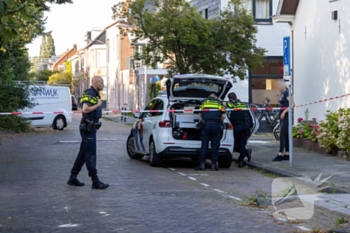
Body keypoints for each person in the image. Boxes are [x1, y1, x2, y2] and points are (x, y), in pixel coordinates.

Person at [67, 76, 109, 189]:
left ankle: (73, 177)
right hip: (88, 128)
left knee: (83, 153)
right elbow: (85, 109)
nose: (103, 84)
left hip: (90, 128)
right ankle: (95, 180)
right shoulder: (90, 93)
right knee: (90, 153)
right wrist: (98, 105)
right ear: (95, 83)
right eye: (101, 82)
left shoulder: (95, 93)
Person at [195, 93, 226, 171]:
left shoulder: (204, 102)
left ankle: (202, 164)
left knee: (204, 144)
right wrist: (219, 121)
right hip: (216, 125)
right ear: (215, 97)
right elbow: (223, 116)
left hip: (206, 125)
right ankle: (214, 165)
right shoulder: (219, 103)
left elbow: (200, 114)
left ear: (208, 97)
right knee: (215, 145)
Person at [225, 92, 252, 168]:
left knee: (235, 145)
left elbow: (228, 107)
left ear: (230, 99)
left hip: (236, 128)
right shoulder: (243, 104)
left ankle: (245, 153)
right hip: (244, 127)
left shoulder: (232, 105)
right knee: (242, 144)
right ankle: (241, 160)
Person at [273, 80, 295, 162]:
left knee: (282, 135)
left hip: (286, 116)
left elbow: (292, 104)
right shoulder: (282, 93)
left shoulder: (287, 93)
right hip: (282, 116)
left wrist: (284, 112)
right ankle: (287, 154)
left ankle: (279, 154)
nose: (278, 87)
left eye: (279, 86)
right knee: (285, 135)